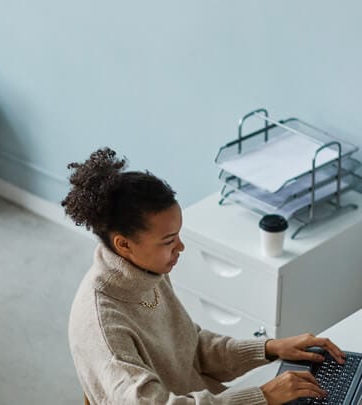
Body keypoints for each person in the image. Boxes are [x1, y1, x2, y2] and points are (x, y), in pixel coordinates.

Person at [63, 148, 346, 404]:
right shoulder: (103, 326)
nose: (180, 247)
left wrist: (270, 348)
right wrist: (261, 397)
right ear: (123, 245)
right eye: (168, 240)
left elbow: (193, 347)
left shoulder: (146, 272)